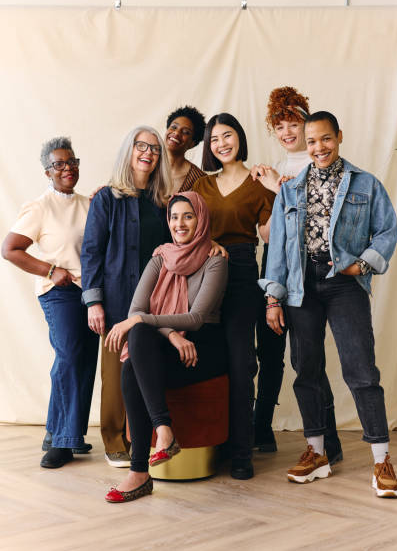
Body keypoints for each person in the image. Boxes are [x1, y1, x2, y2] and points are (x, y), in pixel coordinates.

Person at [261, 111, 397, 497]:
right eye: (311, 142)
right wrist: (274, 296)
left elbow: (387, 230)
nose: (319, 148)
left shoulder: (364, 183)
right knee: (306, 368)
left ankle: (380, 460)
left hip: (344, 284)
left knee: (361, 370)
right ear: (304, 145)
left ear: (338, 136)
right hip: (300, 287)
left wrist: (364, 264)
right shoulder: (290, 190)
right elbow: (279, 248)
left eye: (325, 139)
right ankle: (317, 452)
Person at [103, 192, 228, 503]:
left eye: (188, 216)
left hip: (202, 350)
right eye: (174, 217)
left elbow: (197, 317)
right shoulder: (160, 256)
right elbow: (136, 310)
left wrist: (152, 325)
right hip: (171, 345)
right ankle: (163, 431)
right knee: (138, 341)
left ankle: (139, 473)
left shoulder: (216, 259)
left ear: (200, 219)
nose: (180, 223)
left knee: (136, 347)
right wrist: (172, 335)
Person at [251, 86, 342, 464]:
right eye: (280, 125)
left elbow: (314, 226)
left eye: (294, 123)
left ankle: (328, 441)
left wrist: (279, 189)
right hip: (274, 268)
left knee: (309, 360)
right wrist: (274, 190)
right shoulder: (275, 169)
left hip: (308, 270)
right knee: (269, 353)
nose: (288, 132)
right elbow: (268, 235)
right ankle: (261, 429)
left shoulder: (320, 162)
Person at [1, 137, 99, 468]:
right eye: (59, 163)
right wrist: (50, 270)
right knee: (69, 355)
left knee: (84, 361)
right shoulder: (40, 207)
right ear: (48, 171)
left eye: (72, 161)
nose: (68, 167)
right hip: (60, 293)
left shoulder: (90, 204)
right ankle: (61, 440)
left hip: (90, 292)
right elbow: (10, 249)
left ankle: (65, 432)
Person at [81, 126, 171, 467]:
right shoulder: (106, 199)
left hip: (152, 304)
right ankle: (113, 441)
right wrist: (94, 302)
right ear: (129, 151)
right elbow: (91, 252)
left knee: (144, 369)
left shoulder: (161, 203)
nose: (148, 152)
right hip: (115, 299)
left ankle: (145, 437)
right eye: (141, 146)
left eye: (154, 148)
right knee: (114, 375)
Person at [193, 113, 275, 480]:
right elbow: (186, 227)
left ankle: (242, 451)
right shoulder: (202, 185)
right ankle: (217, 443)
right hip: (205, 273)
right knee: (211, 359)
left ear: (240, 138)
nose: (221, 144)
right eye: (214, 139)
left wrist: (277, 188)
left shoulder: (258, 182)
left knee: (242, 362)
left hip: (243, 272)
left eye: (228, 136)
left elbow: (270, 235)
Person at [164, 105, 206, 192]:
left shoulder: (199, 180)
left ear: (192, 143)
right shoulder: (149, 165)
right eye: (174, 127)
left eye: (186, 132)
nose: (176, 133)